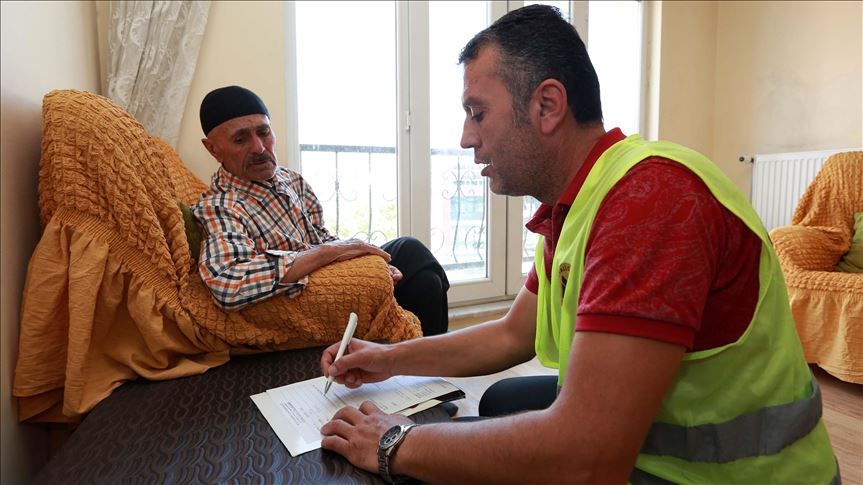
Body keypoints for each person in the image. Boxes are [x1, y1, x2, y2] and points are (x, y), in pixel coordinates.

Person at [318, 5, 838, 484]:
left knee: (423, 463)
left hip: (732, 477)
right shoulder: (578, 205)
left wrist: (394, 443)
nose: (465, 138)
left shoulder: (649, 200)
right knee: (501, 403)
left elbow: (587, 457)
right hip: (652, 449)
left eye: (477, 113)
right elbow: (510, 334)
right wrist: (389, 358)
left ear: (547, 105)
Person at [192, 85, 449, 336]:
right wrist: (329, 253)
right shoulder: (219, 206)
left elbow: (321, 237)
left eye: (264, 132)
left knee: (421, 273)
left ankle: (432, 356)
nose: (259, 148)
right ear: (214, 149)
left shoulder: (292, 180)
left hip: (333, 273)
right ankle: (436, 356)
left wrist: (366, 261)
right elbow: (229, 283)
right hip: (312, 297)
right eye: (240, 139)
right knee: (414, 260)